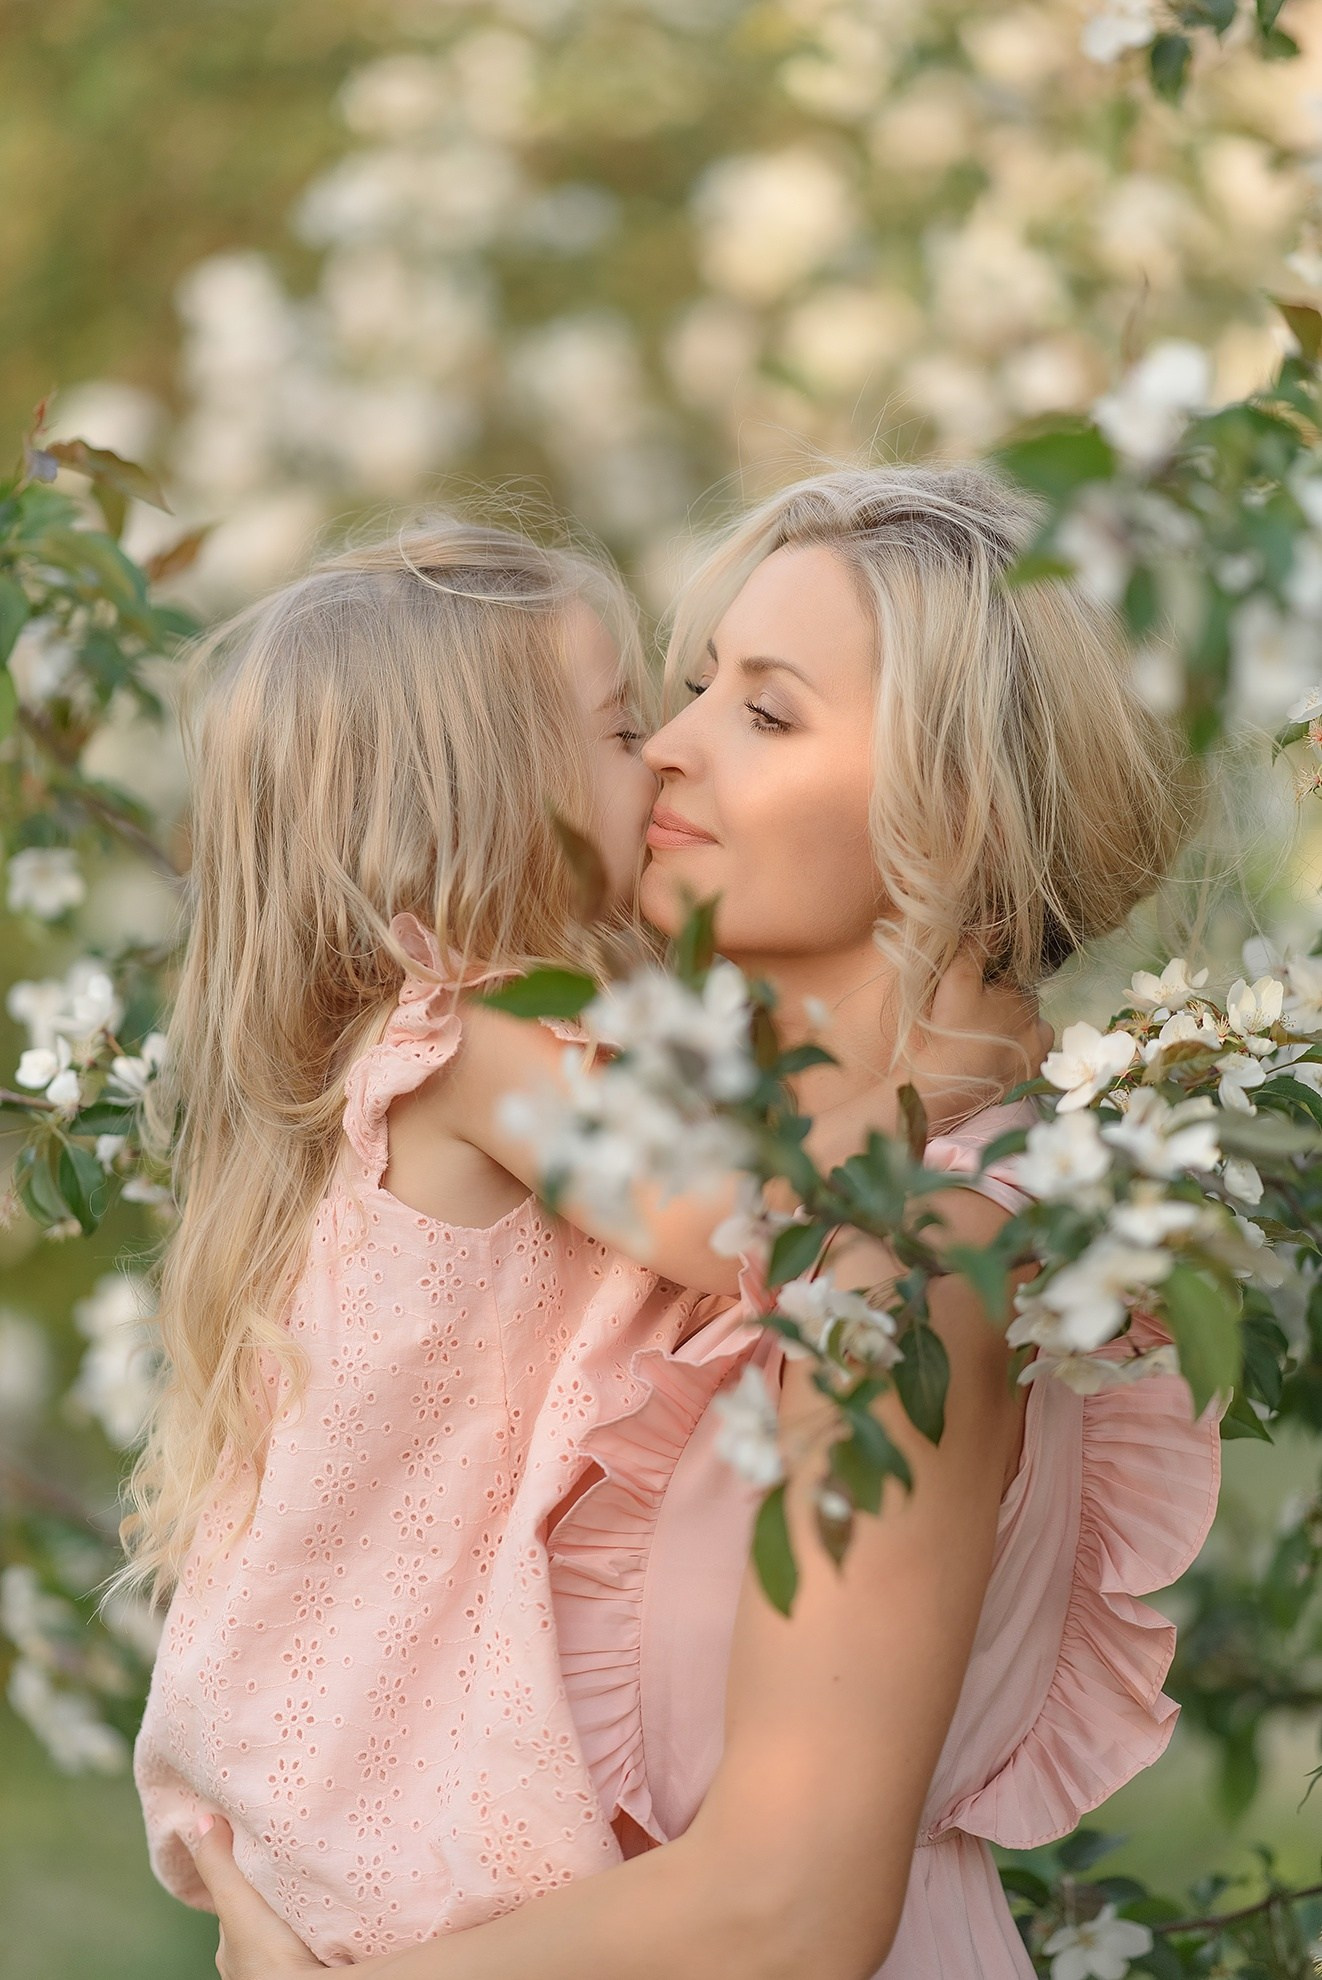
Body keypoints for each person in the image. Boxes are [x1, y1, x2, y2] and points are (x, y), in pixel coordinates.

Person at [187, 464, 1221, 1979]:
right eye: (676, 694)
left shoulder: (903, 1262)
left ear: (954, 801)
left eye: (765, 711)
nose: (665, 750)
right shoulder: (684, 1179)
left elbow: (785, 1911)